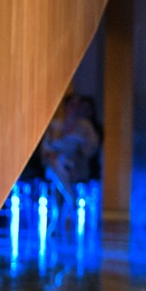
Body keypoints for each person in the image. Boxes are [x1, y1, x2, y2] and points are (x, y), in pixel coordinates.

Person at [40, 93, 101, 228]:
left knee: (56, 175)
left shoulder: (85, 127)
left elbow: (92, 147)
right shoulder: (55, 125)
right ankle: (70, 198)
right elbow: (45, 147)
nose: (74, 108)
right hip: (55, 163)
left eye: (77, 106)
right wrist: (52, 153)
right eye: (72, 105)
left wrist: (79, 147)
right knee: (55, 166)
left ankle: (56, 221)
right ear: (66, 106)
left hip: (76, 166)